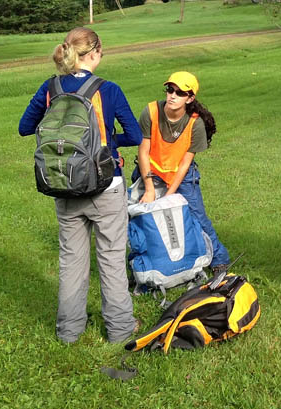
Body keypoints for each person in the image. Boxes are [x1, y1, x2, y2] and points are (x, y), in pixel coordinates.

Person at [18, 27, 141, 344]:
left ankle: (69, 332)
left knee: (71, 261)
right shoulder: (108, 89)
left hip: (65, 184)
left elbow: (24, 128)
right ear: (96, 52)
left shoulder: (51, 88)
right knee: (111, 259)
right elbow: (136, 136)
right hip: (106, 186)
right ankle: (120, 330)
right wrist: (109, 141)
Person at [134, 72, 231, 273]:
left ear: (190, 98)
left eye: (180, 92)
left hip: (182, 175)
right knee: (140, 217)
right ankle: (147, 264)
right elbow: (143, 151)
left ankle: (219, 259)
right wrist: (150, 189)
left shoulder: (196, 124)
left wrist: (168, 197)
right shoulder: (151, 111)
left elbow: (185, 164)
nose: (173, 95)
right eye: (170, 89)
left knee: (197, 216)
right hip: (149, 172)